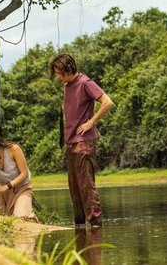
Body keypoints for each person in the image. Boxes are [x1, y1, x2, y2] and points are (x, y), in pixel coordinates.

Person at [50, 53, 114, 228]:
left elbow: (107, 102)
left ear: (68, 69)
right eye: (55, 73)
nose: (57, 77)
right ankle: (79, 226)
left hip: (84, 141)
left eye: (59, 73)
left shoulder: (85, 82)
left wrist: (91, 122)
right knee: (74, 187)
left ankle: (95, 224)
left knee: (86, 184)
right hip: (70, 141)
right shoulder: (66, 85)